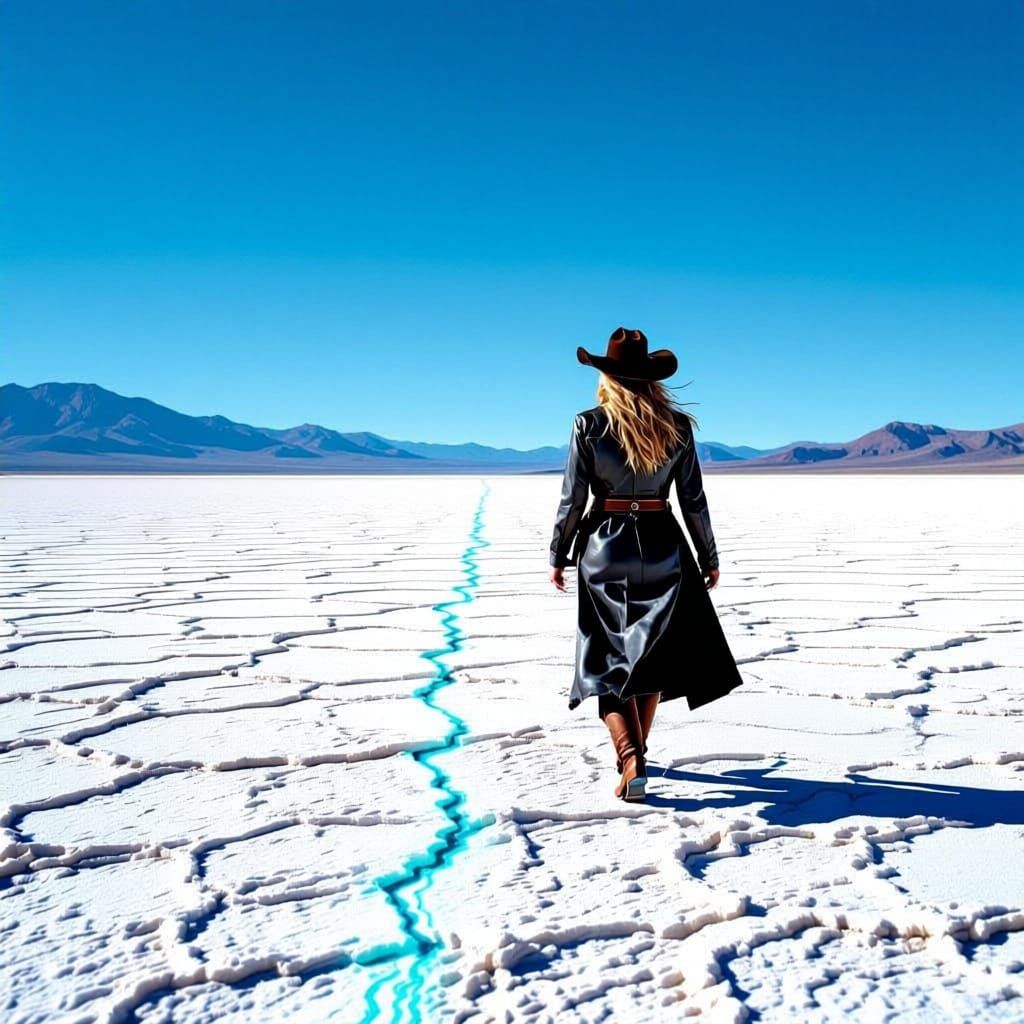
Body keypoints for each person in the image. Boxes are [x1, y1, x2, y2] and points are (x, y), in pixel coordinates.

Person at [549, 327, 744, 803]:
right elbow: (693, 498)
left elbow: (573, 499)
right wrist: (708, 554)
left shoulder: (588, 424)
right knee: (649, 659)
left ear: (607, 376)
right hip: (663, 545)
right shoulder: (676, 426)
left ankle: (631, 757)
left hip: (605, 548)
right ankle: (639, 754)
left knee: (607, 659)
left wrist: (559, 551)